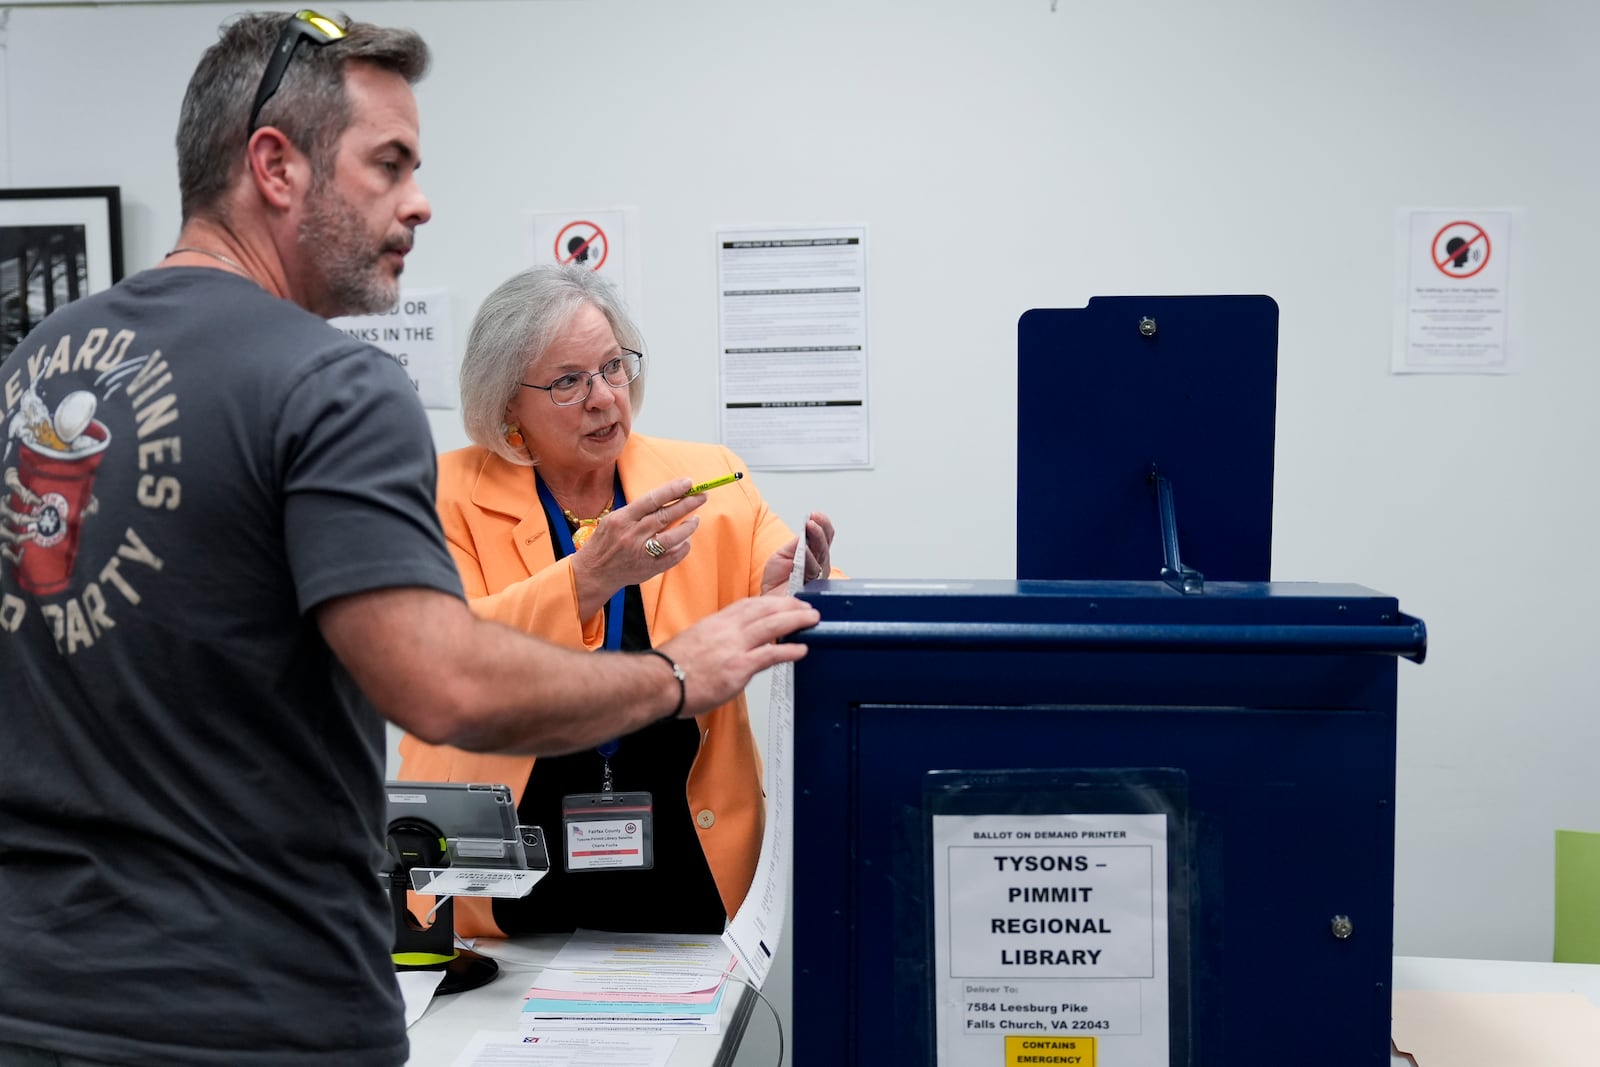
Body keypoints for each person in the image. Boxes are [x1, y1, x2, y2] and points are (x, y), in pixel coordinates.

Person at [0, 11, 818, 1067]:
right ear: (274, 165)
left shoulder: (47, 363)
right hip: (251, 1008)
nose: (419, 202)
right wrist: (670, 675)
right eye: (388, 166)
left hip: (39, 994)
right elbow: (446, 687)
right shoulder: (328, 381)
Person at [398, 264, 837, 938]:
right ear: (507, 405)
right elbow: (436, 649)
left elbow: (790, 600)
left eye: (613, 367)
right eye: (568, 381)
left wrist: (800, 586)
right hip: (498, 879)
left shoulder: (712, 481)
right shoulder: (442, 493)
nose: (604, 397)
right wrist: (585, 579)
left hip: (689, 862)